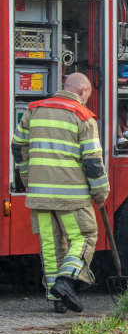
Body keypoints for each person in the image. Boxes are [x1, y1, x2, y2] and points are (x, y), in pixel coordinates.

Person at [12, 73, 109, 313]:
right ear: (84, 91)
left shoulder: (33, 110)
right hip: (71, 197)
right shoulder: (83, 116)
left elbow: (17, 147)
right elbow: (93, 162)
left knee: (51, 244)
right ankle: (66, 282)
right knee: (84, 237)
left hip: (39, 195)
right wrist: (100, 193)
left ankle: (57, 299)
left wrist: (27, 178)